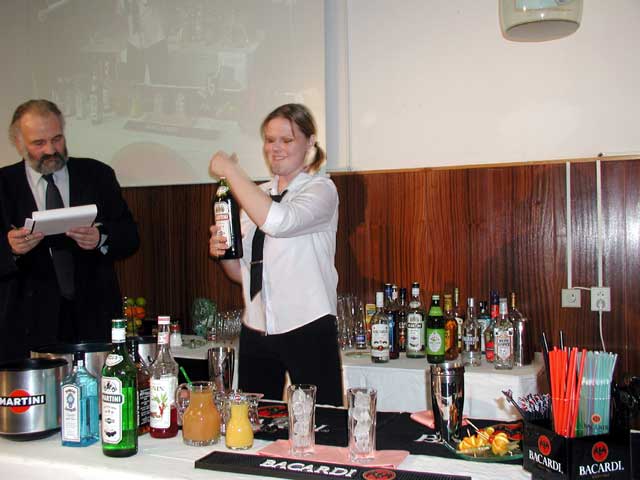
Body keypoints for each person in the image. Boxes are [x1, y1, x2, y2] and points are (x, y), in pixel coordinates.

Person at [208, 103, 342, 406]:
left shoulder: (321, 190)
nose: (275, 148)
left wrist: (231, 171)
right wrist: (224, 251)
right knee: (255, 419)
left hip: (307, 324)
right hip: (256, 324)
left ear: (309, 142)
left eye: (287, 140)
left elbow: (279, 222)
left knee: (322, 419)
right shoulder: (256, 196)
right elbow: (239, 272)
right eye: (270, 140)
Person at [0, 99, 139, 361]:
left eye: (57, 139)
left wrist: (101, 238)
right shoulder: (4, 185)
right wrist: (10, 248)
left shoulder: (97, 174)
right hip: (28, 324)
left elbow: (130, 236)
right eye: (39, 143)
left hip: (93, 317)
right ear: (18, 143)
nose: (51, 150)